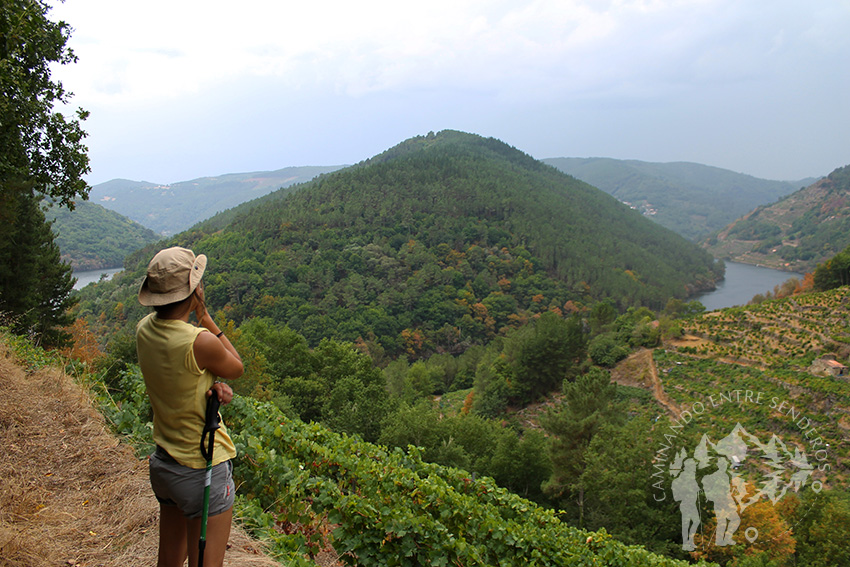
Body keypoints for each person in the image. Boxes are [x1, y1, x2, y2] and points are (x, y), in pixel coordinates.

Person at [136, 246, 244, 567]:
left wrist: (211, 385)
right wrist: (208, 319)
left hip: (164, 465)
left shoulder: (144, 330)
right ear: (195, 290)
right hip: (202, 469)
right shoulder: (200, 341)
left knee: (168, 562)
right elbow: (236, 367)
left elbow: (182, 379)